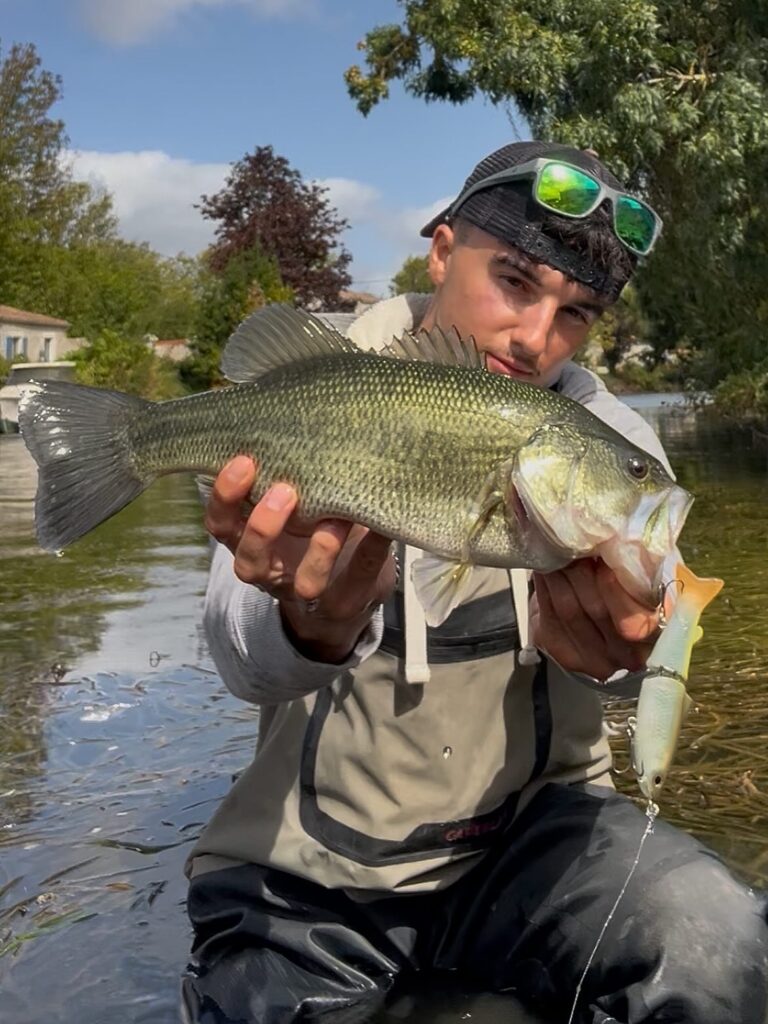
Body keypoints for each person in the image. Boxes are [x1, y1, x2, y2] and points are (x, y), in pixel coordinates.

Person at [181, 141, 768, 1024]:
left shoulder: (611, 445)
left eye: (577, 313)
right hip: (311, 872)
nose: (536, 337)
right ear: (444, 251)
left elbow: (661, 647)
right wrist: (305, 627)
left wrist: (625, 660)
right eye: (516, 282)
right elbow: (240, 660)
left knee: (726, 950)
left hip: (536, 844)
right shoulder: (329, 380)